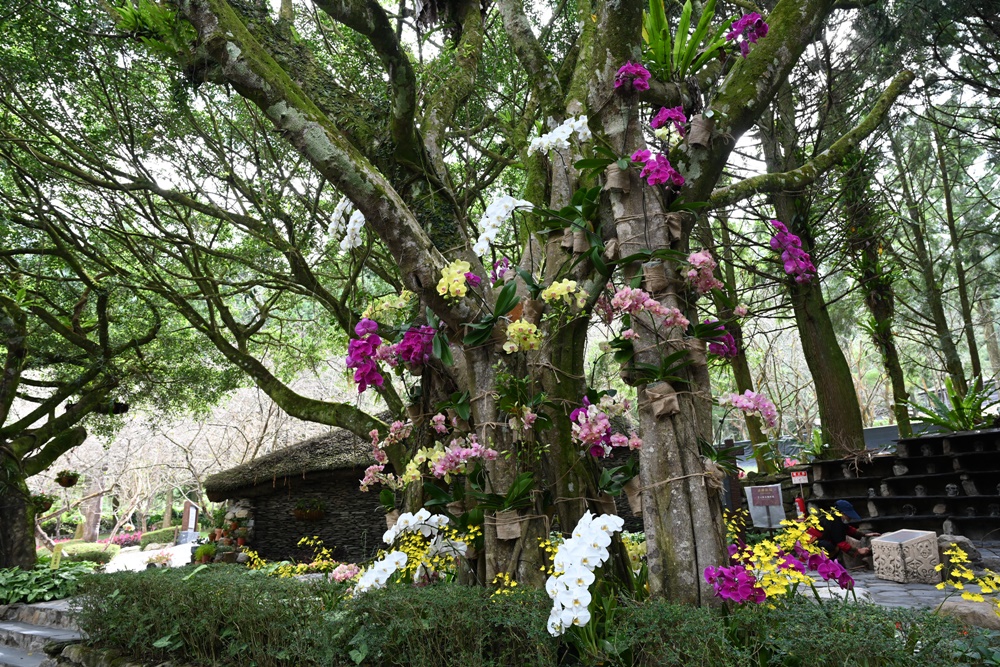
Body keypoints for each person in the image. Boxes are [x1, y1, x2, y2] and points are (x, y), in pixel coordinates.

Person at [808, 500, 880, 560]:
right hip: (811, 541)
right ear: (841, 513)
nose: (850, 518)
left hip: (819, 539)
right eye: (848, 516)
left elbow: (847, 529)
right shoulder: (834, 520)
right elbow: (840, 542)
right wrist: (858, 551)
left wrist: (864, 535)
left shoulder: (836, 517)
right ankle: (821, 562)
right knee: (831, 547)